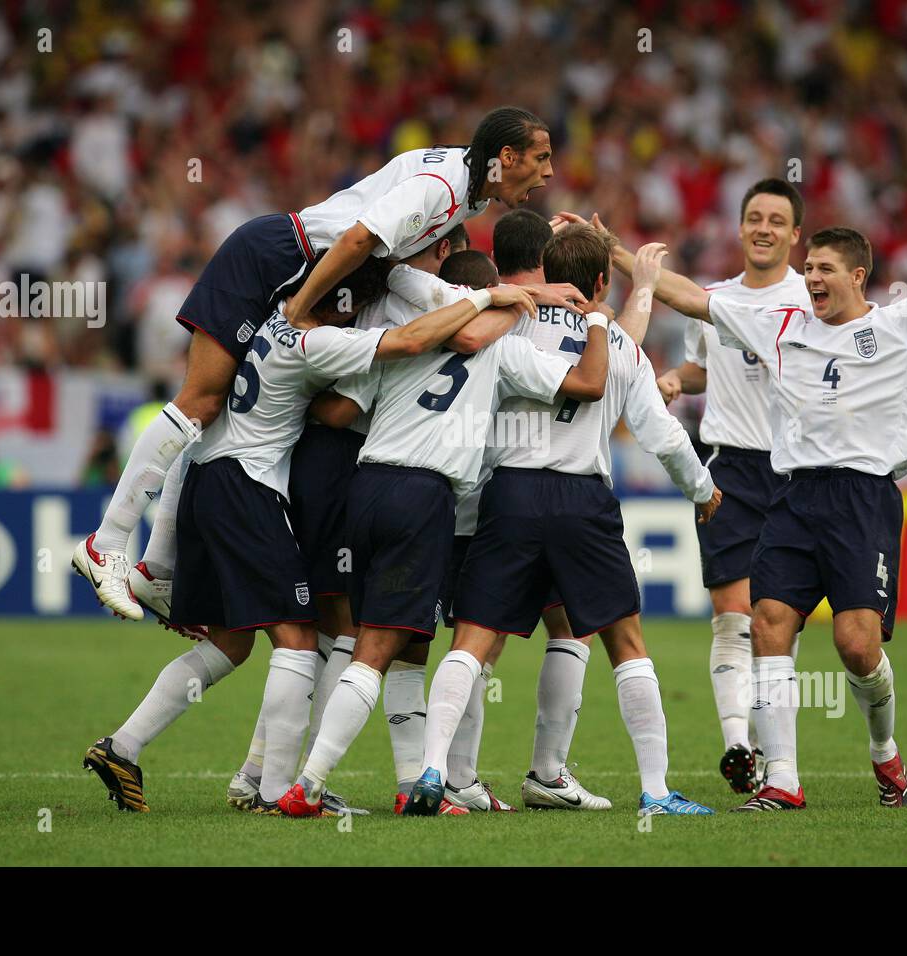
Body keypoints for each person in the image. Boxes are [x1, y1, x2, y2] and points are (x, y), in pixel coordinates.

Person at [72, 106, 582, 622]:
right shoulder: (442, 188)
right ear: (507, 157)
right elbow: (358, 239)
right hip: (277, 261)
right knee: (202, 400)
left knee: (218, 408)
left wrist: (512, 291)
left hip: (300, 270)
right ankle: (106, 542)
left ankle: (156, 569)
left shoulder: (466, 189)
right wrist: (298, 306)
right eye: (541, 158)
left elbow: (388, 261)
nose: (549, 172)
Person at [80, 257, 531, 813]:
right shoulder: (319, 344)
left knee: (230, 642)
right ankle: (275, 790)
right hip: (253, 485)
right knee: (303, 636)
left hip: (206, 476)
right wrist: (493, 298)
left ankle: (124, 746)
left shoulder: (272, 319)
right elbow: (407, 348)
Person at [690, 179, 907, 811]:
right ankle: (783, 780)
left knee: (856, 646)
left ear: (858, 276)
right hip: (793, 496)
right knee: (766, 625)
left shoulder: (902, 325)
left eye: (823, 269)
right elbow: (699, 302)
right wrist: (628, 262)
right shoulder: (784, 327)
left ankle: (884, 752)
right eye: (809, 267)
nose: (811, 278)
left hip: (863, 499)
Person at [275, 253, 610, 818]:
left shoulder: (401, 336)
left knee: (408, 646)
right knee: (375, 651)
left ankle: (411, 785)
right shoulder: (503, 347)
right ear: (494, 295)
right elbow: (587, 384)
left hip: (367, 487)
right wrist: (595, 317)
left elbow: (335, 413)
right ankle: (306, 785)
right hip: (423, 498)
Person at [406, 224, 722, 817]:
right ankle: (655, 791)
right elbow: (665, 437)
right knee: (625, 642)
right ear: (604, 281)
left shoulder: (508, 327)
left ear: (548, 274)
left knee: (472, 638)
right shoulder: (622, 348)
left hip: (509, 496)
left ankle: (433, 771)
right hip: (582, 501)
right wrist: (702, 491)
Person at [585, 178, 810, 795]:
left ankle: (773, 751)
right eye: (754, 218)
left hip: (797, 474)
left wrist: (618, 253)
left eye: (776, 220)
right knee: (733, 619)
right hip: (730, 471)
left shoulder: (810, 299)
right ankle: (740, 743)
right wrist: (678, 382)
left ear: (795, 235)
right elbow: (707, 366)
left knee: (779, 623)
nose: (763, 228)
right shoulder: (717, 299)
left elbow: (680, 297)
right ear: (739, 229)